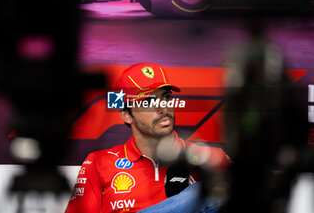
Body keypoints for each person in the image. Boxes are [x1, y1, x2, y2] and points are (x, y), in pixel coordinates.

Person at [65, 63, 230, 213]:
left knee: (215, 191)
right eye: (148, 101)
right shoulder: (98, 163)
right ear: (126, 115)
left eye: (166, 97)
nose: (162, 108)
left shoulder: (210, 158)